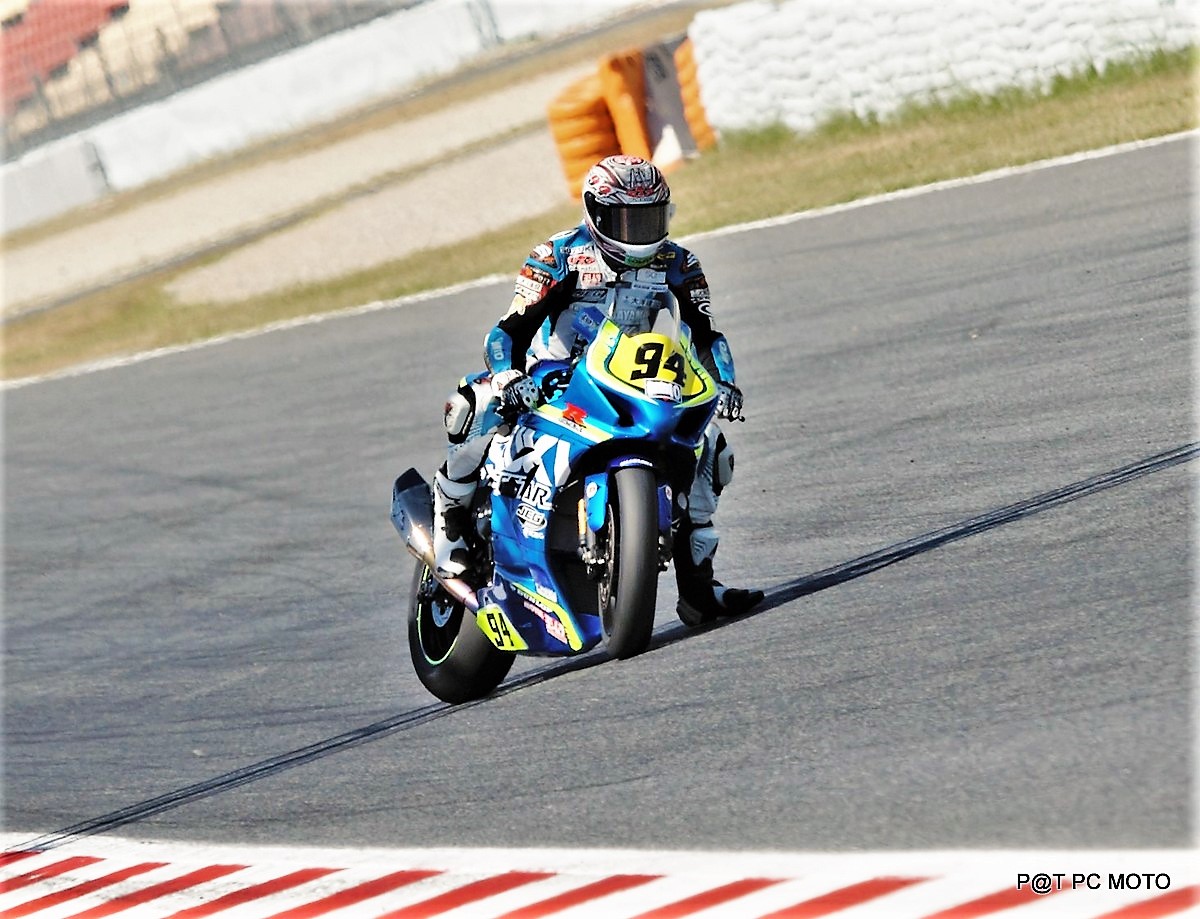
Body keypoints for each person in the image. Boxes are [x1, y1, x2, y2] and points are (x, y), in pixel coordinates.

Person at [432, 154, 763, 625]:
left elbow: (706, 333)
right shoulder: (559, 254)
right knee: (477, 403)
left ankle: (699, 587)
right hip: (555, 374)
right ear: (597, 212)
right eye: (627, 219)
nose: (639, 231)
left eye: (649, 218)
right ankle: (450, 516)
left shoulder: (679, 263)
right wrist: (509, 376)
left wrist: (725, 382)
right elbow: (506, 331)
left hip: (635, 378)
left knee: (709, 450)